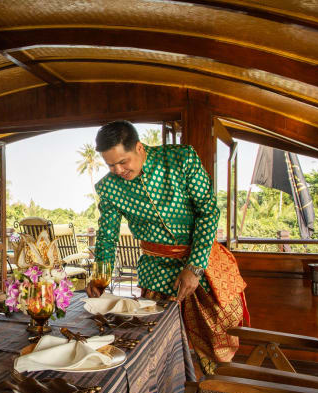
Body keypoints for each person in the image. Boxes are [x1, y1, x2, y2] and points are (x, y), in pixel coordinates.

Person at [87, 120, 248, 374]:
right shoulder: (109, 188)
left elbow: (207, 212)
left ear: (139, 148)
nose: (117, 170)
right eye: (110, 164)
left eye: (123, 161)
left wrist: (194, 268)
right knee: (157, 343)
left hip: (204, 263)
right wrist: (100, 278)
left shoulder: (181, 160)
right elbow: (107, 236)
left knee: (218, 342)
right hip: (157, 273)